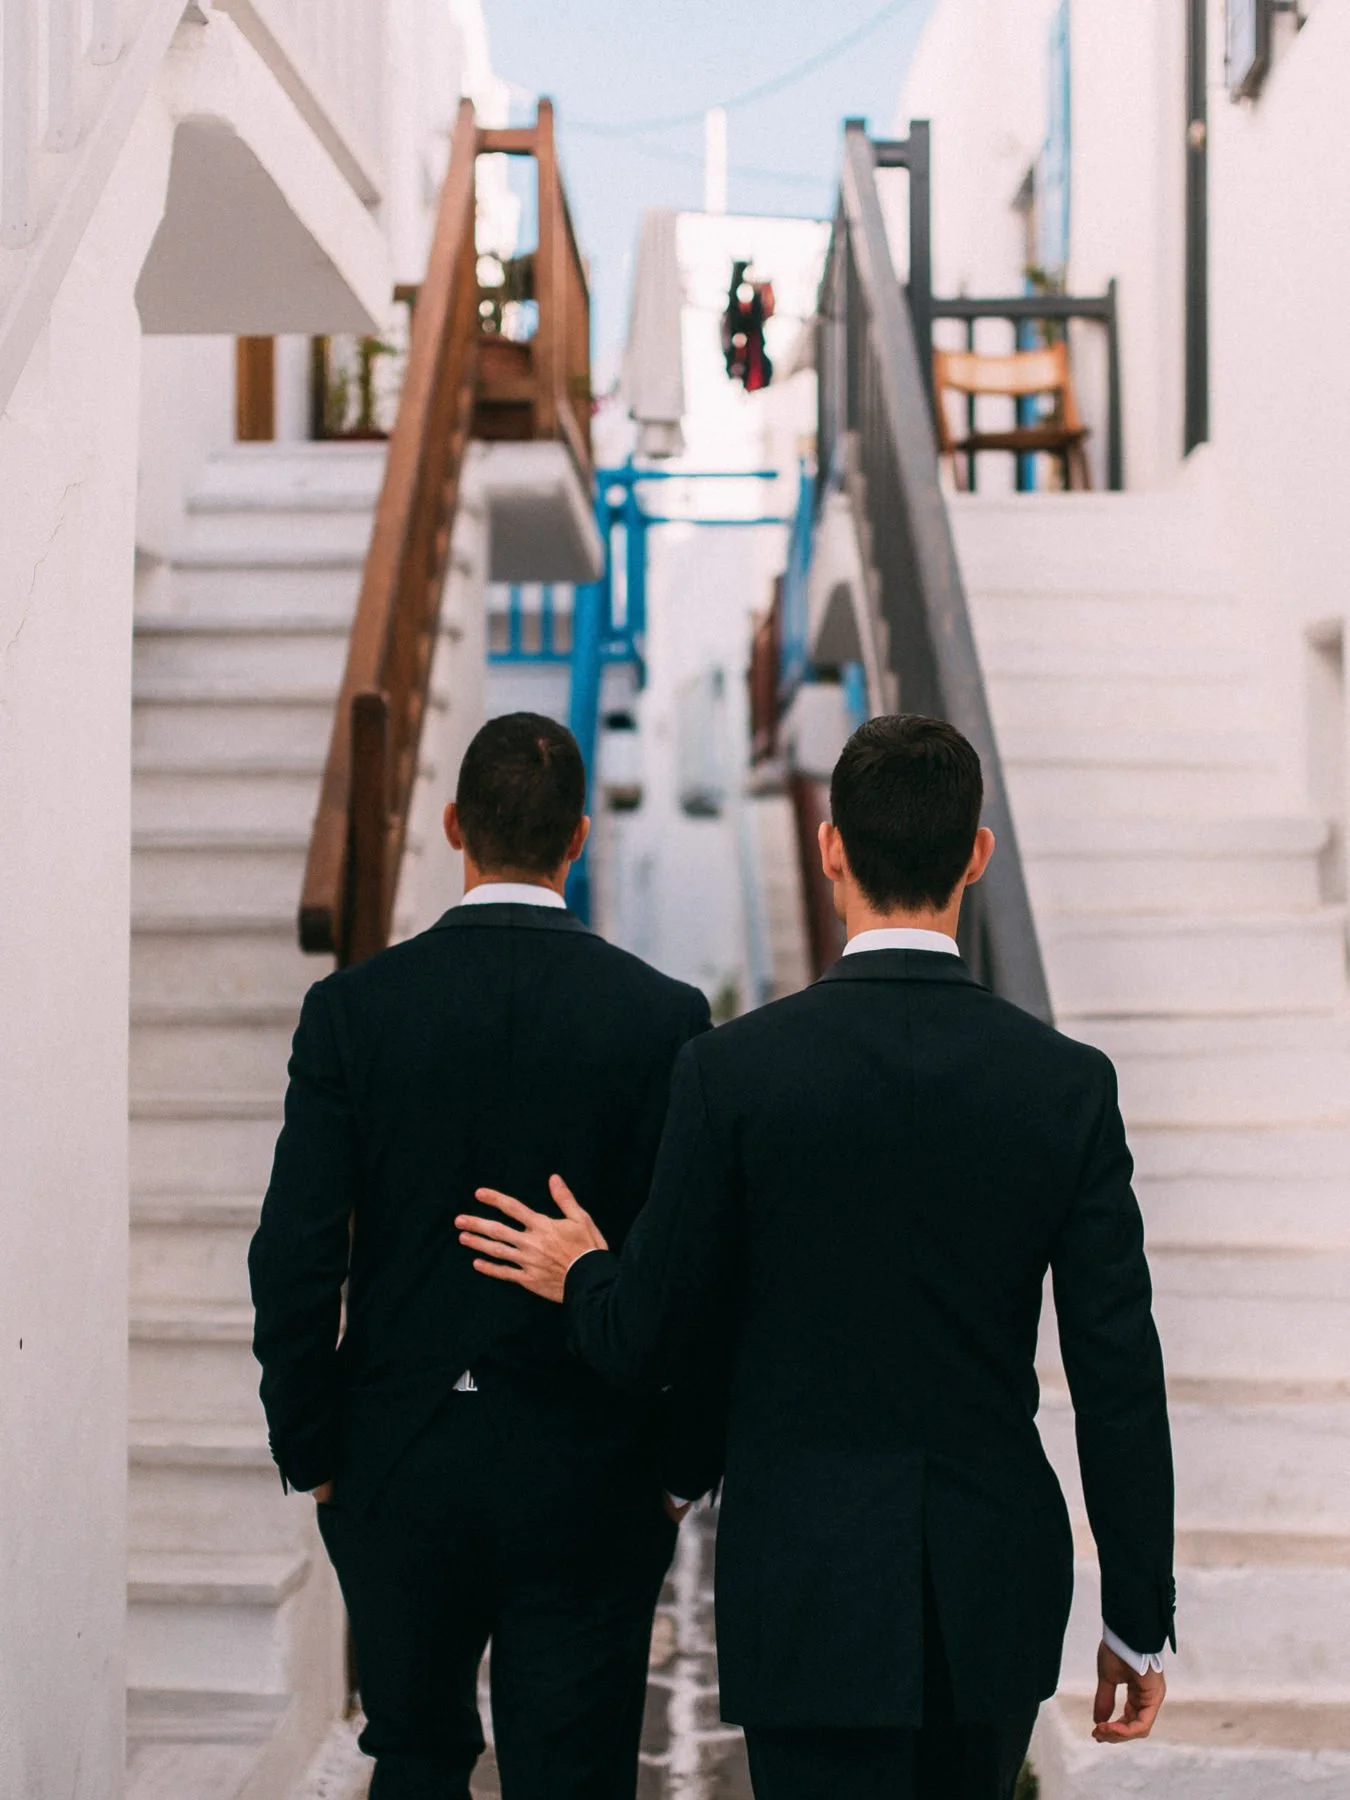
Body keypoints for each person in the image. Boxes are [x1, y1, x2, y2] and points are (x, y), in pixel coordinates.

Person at [456, 714, 1176, 1800]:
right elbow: (1118, 1369)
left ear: (833, 847)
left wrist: (582, 1271)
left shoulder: (733, 1074)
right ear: (976, 854)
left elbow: (649, 1329)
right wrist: (1138, 1611)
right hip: (986, 1583)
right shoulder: (1067, 1085)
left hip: (803, 1584)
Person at [249, 712, 720, 1800]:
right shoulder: (663, 1020)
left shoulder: (353, 1012)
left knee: (412, 1759)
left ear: (455, 827)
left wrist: (313, 1445)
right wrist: (677, 1471)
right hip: (593, 1474)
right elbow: (694, 1272)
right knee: (576, 1774)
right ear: (580, 839)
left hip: (397, 1463)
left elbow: (295, 1252)